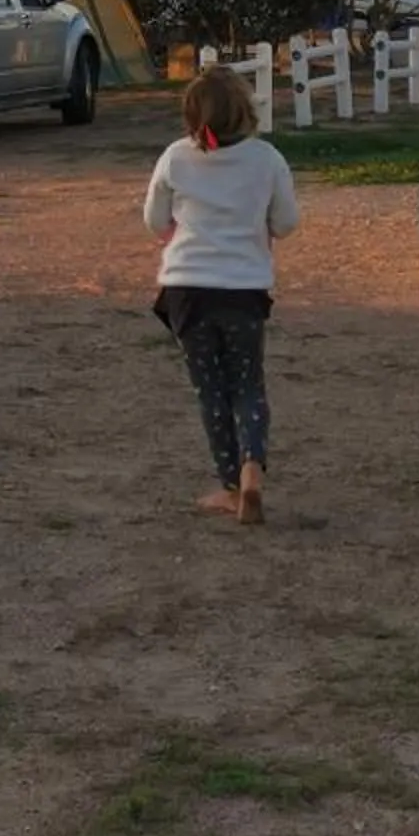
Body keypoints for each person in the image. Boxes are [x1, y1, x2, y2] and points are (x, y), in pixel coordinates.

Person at [143, 61, 300, 525]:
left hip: (187, 292)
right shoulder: (267, 160)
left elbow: (154, 221)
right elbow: (286, 223)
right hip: (244, 290)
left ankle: (230, 485)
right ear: (245, 110)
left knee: (210, 391)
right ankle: (253, 468)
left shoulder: (175, 157)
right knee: (248, 385)